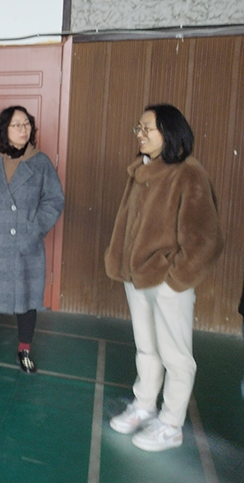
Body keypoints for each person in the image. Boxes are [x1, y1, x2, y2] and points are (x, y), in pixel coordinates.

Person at [105, 104, 223, 452]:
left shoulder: (189, 173)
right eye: (138, 128)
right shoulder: (140, 169)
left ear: (169, 133)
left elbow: (206, 240)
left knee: (176, 356)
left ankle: (171, 424)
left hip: (167, 281)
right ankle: (144, 405)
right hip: (136, 277)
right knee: (147, 347)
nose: (140, 135)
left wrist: (176, 278)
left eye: (147, 129)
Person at [0, 105, 64, 374]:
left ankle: (24, 349)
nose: (24, 129)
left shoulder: (41, 162)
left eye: (27, 124)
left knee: (27, 298)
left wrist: (35, 230)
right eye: (17, 125)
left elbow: (54, 200)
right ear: (4, 130)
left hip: (25, 244)